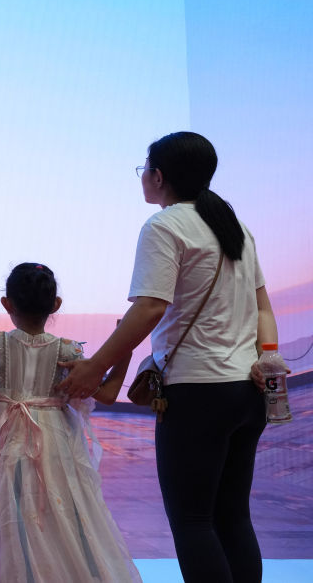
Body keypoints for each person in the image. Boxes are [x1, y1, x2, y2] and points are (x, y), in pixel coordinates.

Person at [58, 131, 276, 583]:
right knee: (233, 517)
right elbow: (262, 308)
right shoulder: (235, 227)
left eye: (145, 170)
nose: (143, 178)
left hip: (197, 393)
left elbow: (150, 308)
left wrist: (94, 368)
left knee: (193, 521)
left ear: (158, 176)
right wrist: (267, 358)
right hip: (247, 392)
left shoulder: (164, 227)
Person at [0, 262, 140, 583]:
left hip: (13, 444)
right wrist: (124, 348)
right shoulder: (67, 351)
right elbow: (104, 394)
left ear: (7, 303)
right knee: (65, 508)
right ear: (55, 304)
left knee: (17, 512)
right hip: (58, 445)